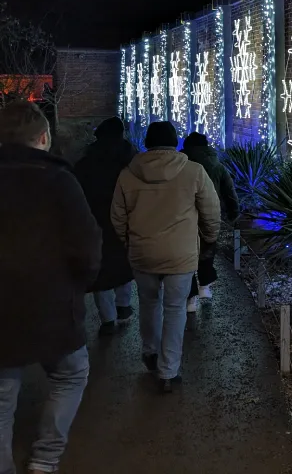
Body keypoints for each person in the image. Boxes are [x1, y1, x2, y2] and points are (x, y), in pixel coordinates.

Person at [0, 100, 102, 474]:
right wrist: (80, 284)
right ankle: (45, 457)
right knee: (71, 374)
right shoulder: (59, 180)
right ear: (43, 138)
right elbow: (87, 247)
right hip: (53, 306)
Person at [111, 121, 221, 393]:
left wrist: (129, 242)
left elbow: (117, 216)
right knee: (175, 309)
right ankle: (168, 371)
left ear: (146, 143)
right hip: (180, 254)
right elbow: (211, 211)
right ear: (175, 143)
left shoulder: (128, 174)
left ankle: (150, 352)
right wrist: (209, 237)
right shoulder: (194, 172)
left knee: (149, 303)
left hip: (143, 253)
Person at [74, 117, 136, 336]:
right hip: (125, 221)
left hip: (95, 223)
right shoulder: (131, 161)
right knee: (124, 264)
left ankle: (107, 318)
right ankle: (124, 306)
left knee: (101, 270)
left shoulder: (86, 163)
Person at [181, 132, 239, 312]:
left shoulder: (182, 164)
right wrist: (233, 213)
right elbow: (229, 190)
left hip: (186, 215)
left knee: (187, 253)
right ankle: (204, 286)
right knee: (207, 248)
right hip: (210, 213)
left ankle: (191, 299)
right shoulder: (217, 165)